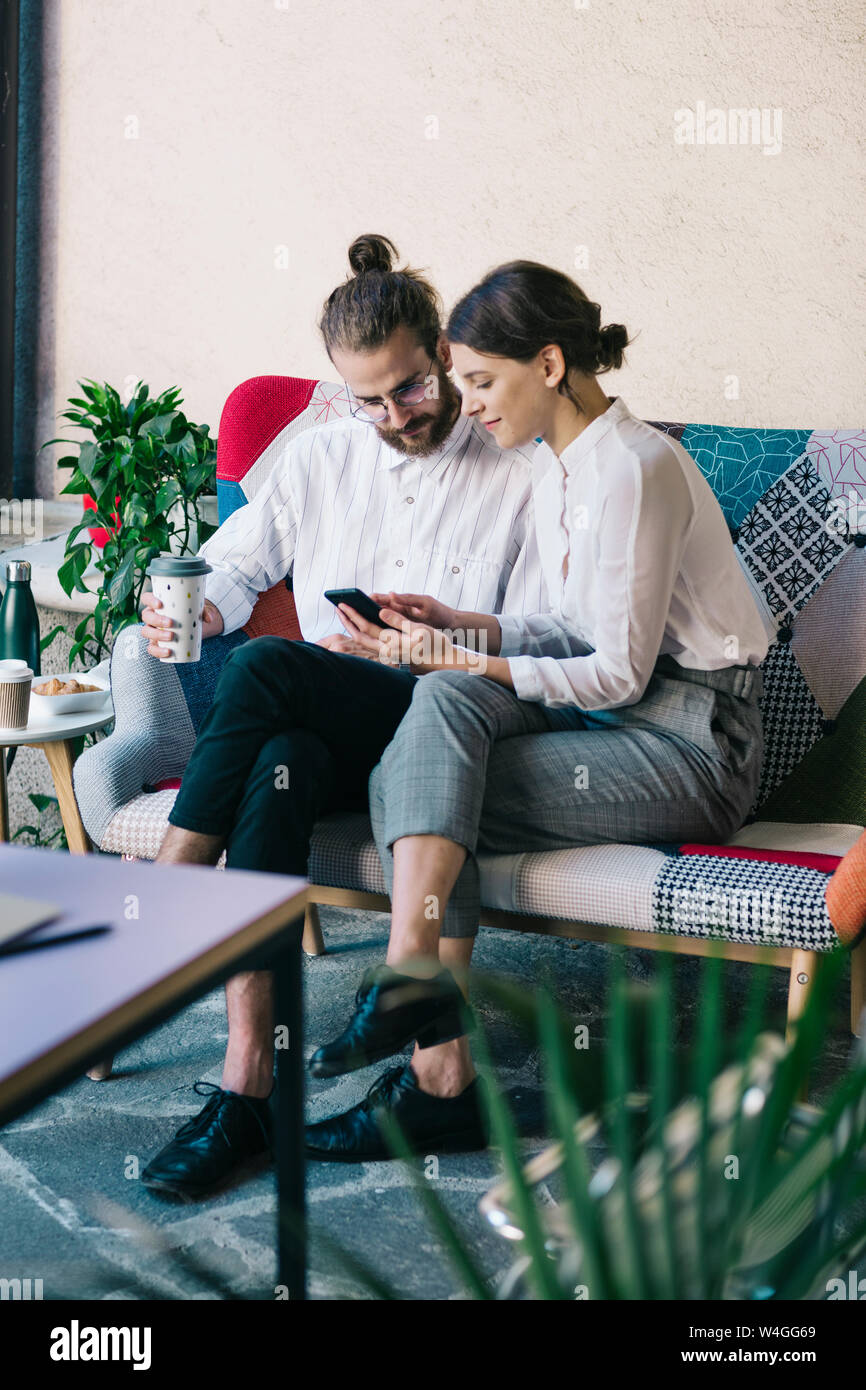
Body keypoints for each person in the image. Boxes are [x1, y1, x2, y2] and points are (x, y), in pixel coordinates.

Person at [305, 259, 771, 1161]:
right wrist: (465, 628)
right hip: (620, 723)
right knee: (443, 705)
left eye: (480, 380)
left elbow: (619, 677)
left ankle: (434, 1067)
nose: (468, 403)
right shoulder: (561, 464)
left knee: (428, 784)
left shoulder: (634, 469)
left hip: (692, 740)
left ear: (549, 365)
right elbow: (568, 627)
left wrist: (458, 656)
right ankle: (417, 996)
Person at [137, 235, 547, 1200]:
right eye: (367, 398)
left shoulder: (516, 462)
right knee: (276, 746)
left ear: (443, 354)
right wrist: (196, 610)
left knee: (275, 669)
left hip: (443, 716)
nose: (391, 415)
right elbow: (235, 568)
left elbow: (539, 631)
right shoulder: (318, 457)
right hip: (325, 716)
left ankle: (166, 890)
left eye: (408, 388)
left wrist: (423, 641)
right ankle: (250, 1087)